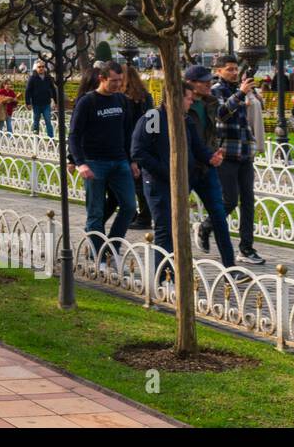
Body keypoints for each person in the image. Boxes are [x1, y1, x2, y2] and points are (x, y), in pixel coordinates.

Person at [131, 84, 224, 281]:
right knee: (165, 227)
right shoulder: (154, 117)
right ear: (175, 98)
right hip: (158, 183)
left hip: (181, 183)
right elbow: (139, 150)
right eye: (188, 98)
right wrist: (166, 171)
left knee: (177, 227)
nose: (191, 102)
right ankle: (164, 278)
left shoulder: (186, 120)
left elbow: (197, 148)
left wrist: (210, 157)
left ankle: (175, 272)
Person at [67, 60, 138, 259]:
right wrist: (79, 162)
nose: (117, 85)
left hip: (119, 161)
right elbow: (74, 135)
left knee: (129, 206)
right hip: (94, 162)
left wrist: (132, 160)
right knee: (96, 213)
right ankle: (97, 255)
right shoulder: (88, 101)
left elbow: (127, 132)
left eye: (120, 80)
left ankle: (111, 249)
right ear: (102, 78)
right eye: (114, 81)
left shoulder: (121, 100)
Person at [209, 55, 265, 265]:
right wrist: (241, 93)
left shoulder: (239, 89)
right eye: (229, 69)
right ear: (219, 71)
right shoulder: (216, 91)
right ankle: (206, 226)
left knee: (248, 201)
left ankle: (247, 248)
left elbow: (255, 111)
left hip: (244, 152)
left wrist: (251, 95)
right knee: (230, 200)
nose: (233, 72)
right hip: (226, 153)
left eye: (235, 69)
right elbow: (221, 115)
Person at [184, 64, 236, 268]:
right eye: (203, 81)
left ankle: (230, 267)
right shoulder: (180, 105)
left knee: (219, 216)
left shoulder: (211, 102)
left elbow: (219, 125)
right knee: (174, 218)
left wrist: (216, 150)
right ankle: (172, 266)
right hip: (186, 167)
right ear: (190, 83)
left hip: (207, 167)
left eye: (209, 80)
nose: (209, 84)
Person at [120, 64, 156, 229]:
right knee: (142, 182)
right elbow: (153, 122)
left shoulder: (123, 99)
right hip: (146, 142)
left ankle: (141, 217)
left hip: (130, 142)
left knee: (135, 184)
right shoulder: (146, 97)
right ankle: (142, 215)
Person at [25, 59, 56, 137]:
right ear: (36, 68)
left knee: (48, 121)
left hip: (46, 103)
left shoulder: (48, 77)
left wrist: (55, 101)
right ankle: (36, 138)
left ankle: (51, 139)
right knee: (36, 122)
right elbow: (28, 91)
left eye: (43, 66)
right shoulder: (32, 78)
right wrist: (28, 103)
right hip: (36, 104)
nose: (41, 68)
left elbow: (53, 89)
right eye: (39, 67)